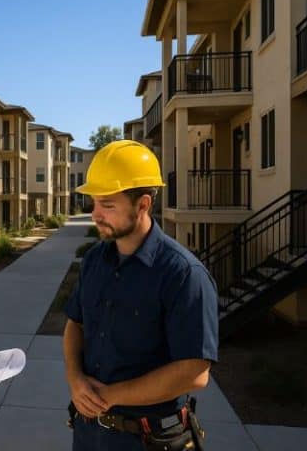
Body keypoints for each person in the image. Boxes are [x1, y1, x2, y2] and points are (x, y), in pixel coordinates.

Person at [63, 140, 218, 451]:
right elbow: (74, 325)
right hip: (88, 434)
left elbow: (195, 373)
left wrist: (112, 395)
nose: (95, 214)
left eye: (107, 205)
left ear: (143, 204)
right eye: (94, 203)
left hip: (147, 441)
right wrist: (75, 379)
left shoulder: (183, 274)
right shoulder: (95, 260)